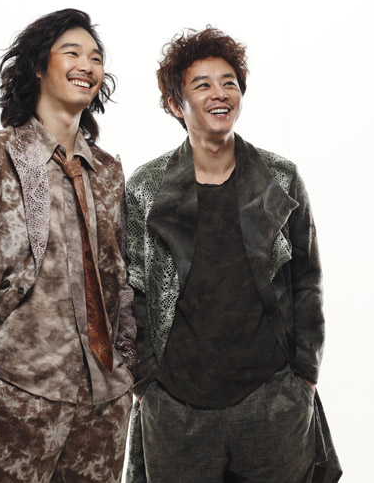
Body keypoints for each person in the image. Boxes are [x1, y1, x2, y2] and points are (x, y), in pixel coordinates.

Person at [125, 26, 342, 482]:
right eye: (202, 85)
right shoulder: (146, 187)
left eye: (229, 82)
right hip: (176, 407)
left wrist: (304, 373)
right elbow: (131, 290)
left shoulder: (280, 178)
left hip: (272, 401)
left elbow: (308, 280)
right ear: (175, 104)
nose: (220, 93)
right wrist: (146, 382)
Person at [0, 8, 136, 483]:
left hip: (103, 406)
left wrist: (127, 368)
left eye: (96, 57)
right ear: (40, 66)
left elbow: (122, 278)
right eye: (72, 52)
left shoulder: (107, 172)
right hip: (17, 395)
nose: (87, 64)